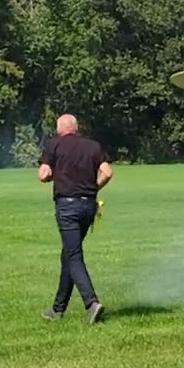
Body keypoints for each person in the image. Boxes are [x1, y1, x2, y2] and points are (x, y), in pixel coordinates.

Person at [37, 114, 113, 324]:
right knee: (68, 255)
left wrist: (54, 173)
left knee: (73, 255)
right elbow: (107, 172)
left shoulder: (54, 145)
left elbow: (43, 175)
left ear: (59, 129)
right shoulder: (93, 146)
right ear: (76, 128)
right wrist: (92, 188)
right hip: (89, 206)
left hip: (67, 206)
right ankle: (57, 309)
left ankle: (91, 303)